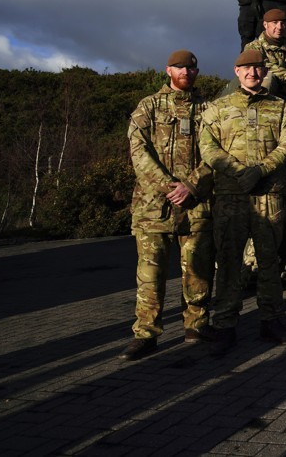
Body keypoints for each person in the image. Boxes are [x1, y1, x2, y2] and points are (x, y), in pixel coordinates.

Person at [199, 49, 286, 353]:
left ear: (264, 71)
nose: (253, 73)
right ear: (237, 72)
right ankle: (225, 324)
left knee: (269, 261)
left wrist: (261, 170)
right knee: (229, 262)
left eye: (258, 68)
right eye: (247, 68)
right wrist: (239, 172)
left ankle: (271, 320)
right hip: (231, 196)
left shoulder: (280, 107)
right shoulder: (218, 108)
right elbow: (207, 148)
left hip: (269, 195)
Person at [120, 50, 214, 361]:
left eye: (190, 67)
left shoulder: (208, 110)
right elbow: (138, 149)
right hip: (152, 206)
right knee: (150, 274)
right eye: (179, 67)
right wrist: (167, 185)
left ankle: (196, 326)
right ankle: (146, 334)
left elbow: (218, 153)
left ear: (196, 72)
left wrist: (191, 185)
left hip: (194, 204)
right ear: (167, 70)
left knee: (197, 271)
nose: (185, 71)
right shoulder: (148, 106)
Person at [245, 8, 286, 105]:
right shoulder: (253, 47)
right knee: (268, 78)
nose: (279, 27)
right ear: (265, 25)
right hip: (270, 92)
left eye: (282, 23)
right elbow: (263, 68)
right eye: (275, 23)